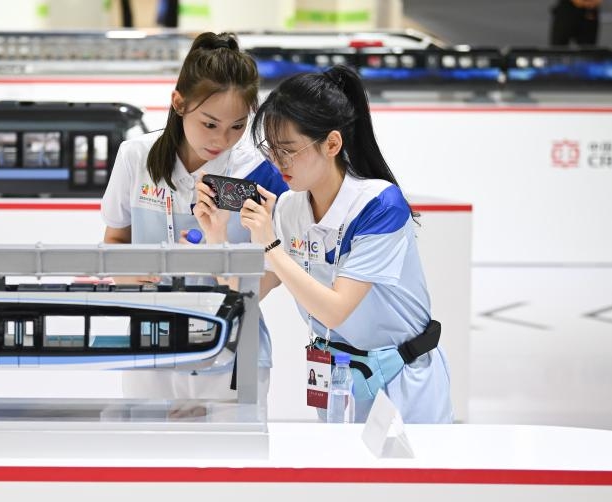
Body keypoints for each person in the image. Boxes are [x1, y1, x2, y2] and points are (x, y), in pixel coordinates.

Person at [194, 64, 452, 424]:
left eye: (288, 149)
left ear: (332, 143)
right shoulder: (288, 207)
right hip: (335, 379)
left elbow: (335, 310)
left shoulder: (380, 205)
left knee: (403, 480)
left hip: (401, 380)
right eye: (270, 148)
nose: (276, 161)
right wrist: (216, 237)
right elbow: (243, 296)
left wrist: (271, 247)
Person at [101, 31, 287, 401]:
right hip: (148, 342)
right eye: (210, 123)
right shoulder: (136, 157)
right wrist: (127, 274)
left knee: (228, 458)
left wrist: (224, 265)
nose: (222, 139)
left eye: (237, 126)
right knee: (149, 454)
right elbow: (115, 240)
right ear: (179, 103)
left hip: (230, 348)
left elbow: (276, 270)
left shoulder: (260, 172)